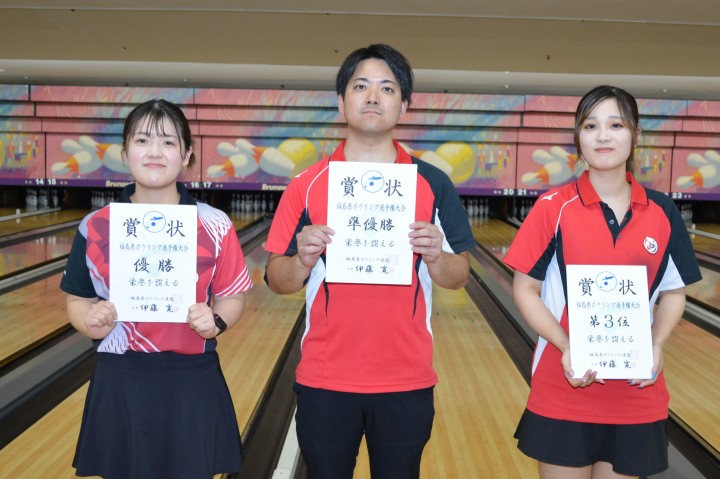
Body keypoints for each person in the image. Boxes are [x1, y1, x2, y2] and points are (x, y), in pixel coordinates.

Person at [264, 44, 475, 479]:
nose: (373, 97)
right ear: (341, 102)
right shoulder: (306, 185)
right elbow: (276, 279)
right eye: (360, 87)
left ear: (404, 105)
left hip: (406, 378)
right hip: (325, 377)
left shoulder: (433, 183)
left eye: (387, 88)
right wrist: (302, 260)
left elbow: (460, 276)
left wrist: (437, 255)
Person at [504, 85, 702, 479]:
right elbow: (524, 288)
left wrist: (656, 344)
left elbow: (674, 291)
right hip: (564, 386)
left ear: (636, 134)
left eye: (616, 125)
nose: (603, 136)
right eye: (591, 125)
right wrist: (566, 346)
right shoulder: (552, 208)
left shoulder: (662, 212)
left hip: (636, 393)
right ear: (578, 136)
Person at [60, 99, 252, 479]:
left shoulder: (215, 223)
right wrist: (90, 321)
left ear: (187, 153)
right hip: (120, 378)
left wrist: (216, 321)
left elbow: (232, 295)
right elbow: (78, 298)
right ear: (125, 152)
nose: (154, 152)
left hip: (191, 379)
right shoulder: (95, 225)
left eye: (167, 142)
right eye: (142, 140)